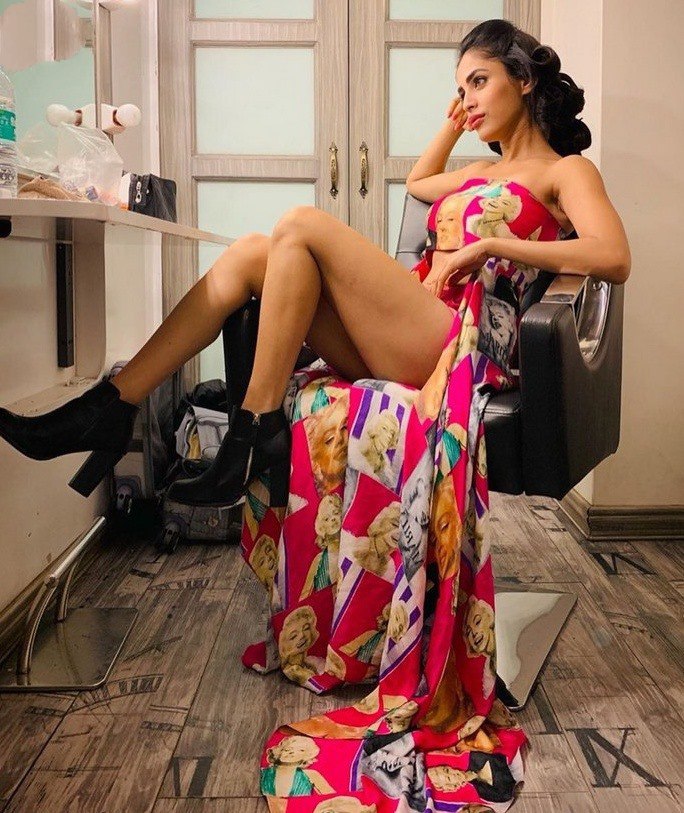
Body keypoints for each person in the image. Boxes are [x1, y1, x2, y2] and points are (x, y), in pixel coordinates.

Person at [0, 17, 631, 812]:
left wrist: (486, 252)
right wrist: (453, 122)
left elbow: (613, 255)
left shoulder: (565, 172)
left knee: (298, 227)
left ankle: (242, 429)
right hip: (413, 326)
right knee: (256, 252)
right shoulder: (474, 168)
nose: (467, 99)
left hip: (464, 342)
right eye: (459, 87)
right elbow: (419, 185)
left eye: (479, 81)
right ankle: (114, 406)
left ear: (525, 80)